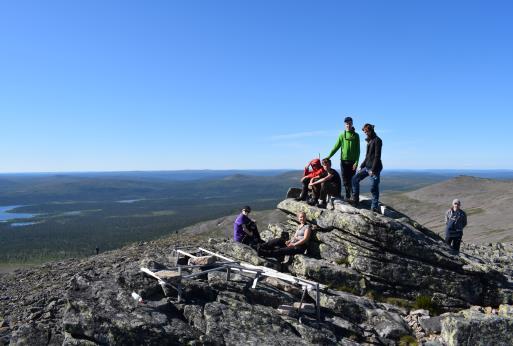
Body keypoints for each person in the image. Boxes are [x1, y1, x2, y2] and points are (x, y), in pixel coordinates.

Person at [349, 123, 383, 212]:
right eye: (364, 132)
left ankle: (374, 207)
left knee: (373, 187)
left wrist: (373, 169)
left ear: (371, 130)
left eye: (367, 131)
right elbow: (367, 156)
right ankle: (355, 200)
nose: (366, 133)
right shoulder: (370, 141)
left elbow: (377, 156)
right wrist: (361, 166)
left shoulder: (377, 140)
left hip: (375, 168)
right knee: (354, 179)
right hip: (367, 167)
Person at [327, 116, 360, 199]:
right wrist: (328, 157)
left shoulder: (356, 136)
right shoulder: (342, 135)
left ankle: (354, 197)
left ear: (352, 124)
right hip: (343, 161)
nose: (348, 125)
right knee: (345, 180)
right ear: (344, 125)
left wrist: (356, 162)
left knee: (352, 179)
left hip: (352, 162)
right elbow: (336, 147)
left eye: (349, 123)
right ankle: (348, 196)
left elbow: (358, 150)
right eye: (346, 124)